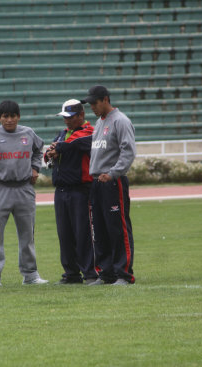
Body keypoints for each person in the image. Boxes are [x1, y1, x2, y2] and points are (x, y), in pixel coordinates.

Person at [0, 100, 49, 287]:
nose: (9, 120)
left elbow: (39, 150)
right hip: (0, 189)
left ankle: (30, 275)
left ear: (18, 117)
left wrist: (36, 167)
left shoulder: (28, 133)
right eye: (5, 116)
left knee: (27, 235)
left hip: (24, 189)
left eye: (13, 116)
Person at [82, 85, 136, 285]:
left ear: (106, 99)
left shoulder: (120, 121)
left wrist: (113, 174)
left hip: (113, 182)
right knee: (100, 229)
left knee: (117, 228)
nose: (92, 107)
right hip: (97, 182)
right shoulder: (99, 122)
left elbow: (128, 151)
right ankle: (106, 273)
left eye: (95, 103)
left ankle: (124, 273)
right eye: (90, 104)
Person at [44, 99, 98, 284]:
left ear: (81, 115)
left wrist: (58, 148)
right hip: (61, 191)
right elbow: (49, 152)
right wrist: (51, 151)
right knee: (64, 233)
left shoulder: (89, 132)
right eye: (65, 117)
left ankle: (90, 273)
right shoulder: (62, 134)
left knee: (83, 233)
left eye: (70, 117)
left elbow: (77, 142)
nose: (66, 121)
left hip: (81, 191)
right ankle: (71, 273)